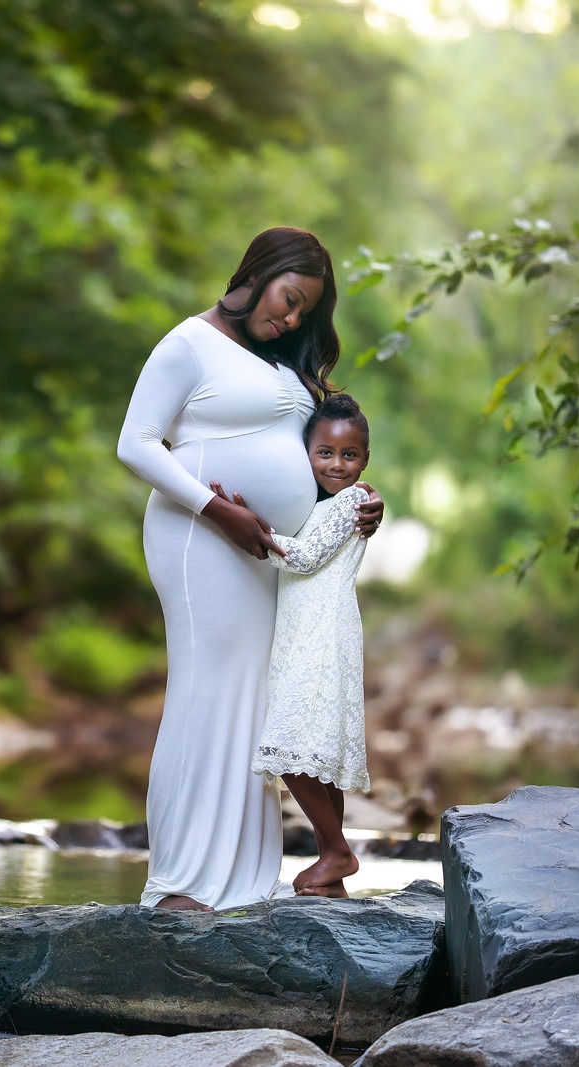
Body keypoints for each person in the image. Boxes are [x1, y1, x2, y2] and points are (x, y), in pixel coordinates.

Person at [116, 227, 384, 911]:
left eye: (304, 314)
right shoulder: (189, 344)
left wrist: (351, 504)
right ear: (260, 273)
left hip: (267, 553)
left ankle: (238, 882)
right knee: (206, 691)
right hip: (199, 537)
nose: (291, 319)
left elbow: (316, 455)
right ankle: (180, 879)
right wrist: (216, 510)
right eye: (289, 299)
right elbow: (135, 443)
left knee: (256, 706)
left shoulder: (277, 363)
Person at [214, 393, 373, 899]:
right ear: (306, 453)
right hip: (310, 631)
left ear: (364, 459)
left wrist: (252, 527)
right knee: (317, 750)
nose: (337, 464)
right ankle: (333, 865)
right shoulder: (327, 504)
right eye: (325, 452)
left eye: (349, 455)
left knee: (290, 748)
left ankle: (337, 851)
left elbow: (304, 558)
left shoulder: (353, 500)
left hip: (322, 635)